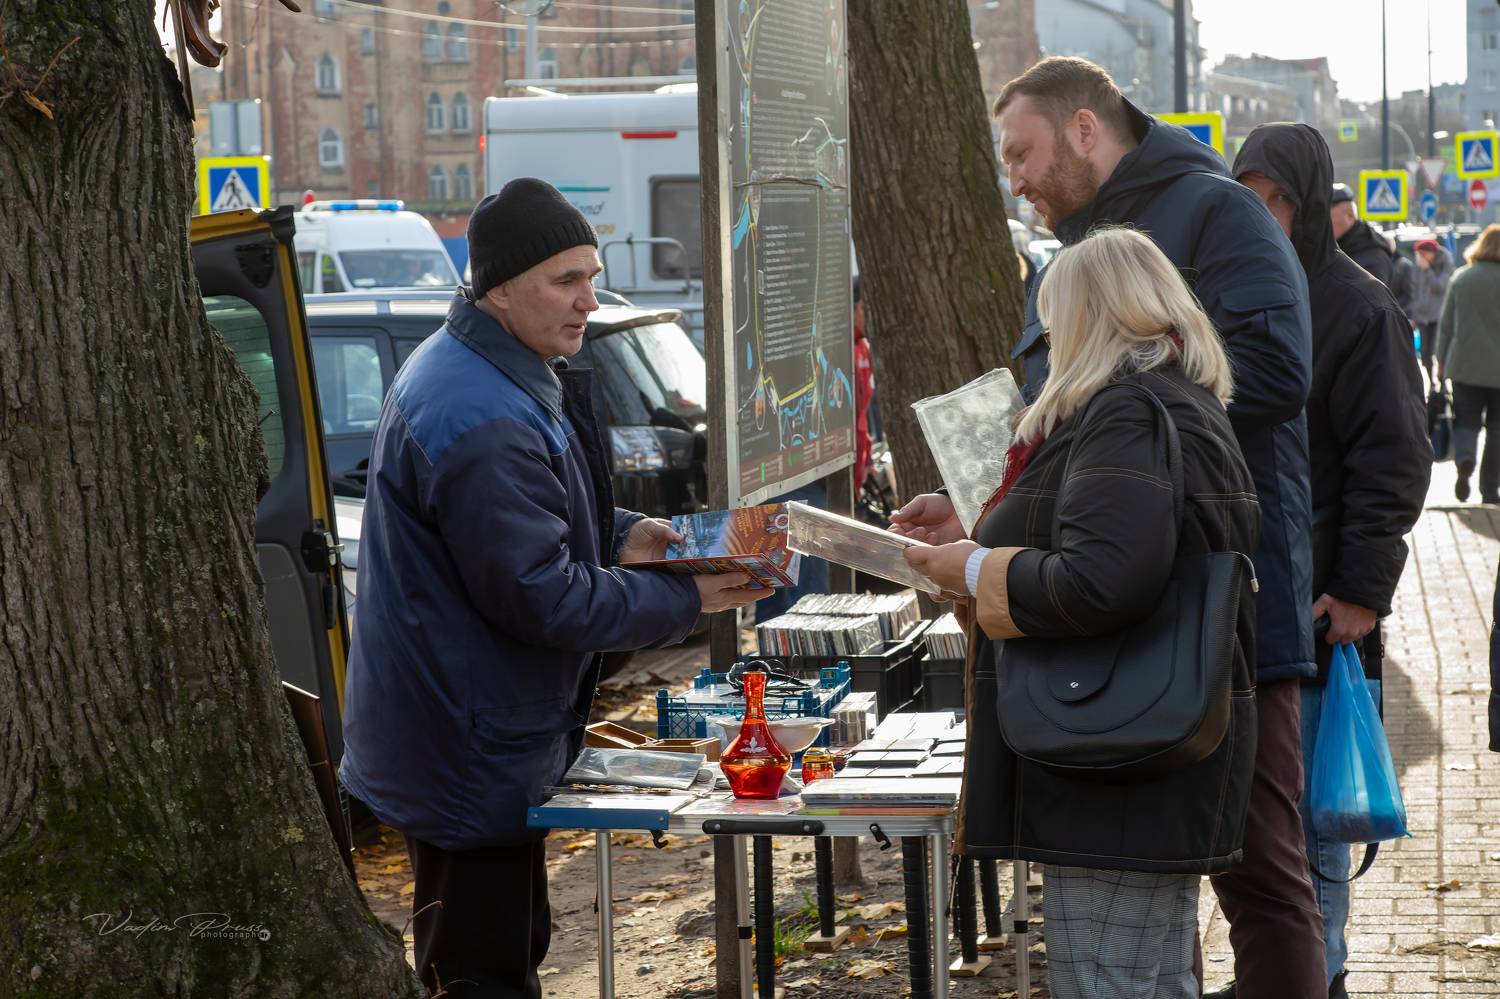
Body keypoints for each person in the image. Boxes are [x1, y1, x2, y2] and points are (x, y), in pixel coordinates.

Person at [893, 56, 1323, 995]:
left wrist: (1134, 403)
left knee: (1258, 878)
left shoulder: (1215, 213)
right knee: (1154, 914)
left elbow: (1276, 372)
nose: (1012, 176)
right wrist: (985, 506)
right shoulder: (1078, 253)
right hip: (1118, 626)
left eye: (1022, 151)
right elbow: (1060, 431)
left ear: (1086, 129)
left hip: (1209, 617)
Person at [338, 178, 767, 998]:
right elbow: (544, 596)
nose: (587, 300)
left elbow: (523, 531)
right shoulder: (479, 408)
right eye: (565, 280)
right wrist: (691, 599)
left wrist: (624, 535)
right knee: (484, 970)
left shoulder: (491, 369)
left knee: (500, 951)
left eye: (591, 275)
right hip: (465, 749)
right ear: (499, 286)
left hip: (472, 735)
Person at [900, 227, 1261, 999]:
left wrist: (968, 566)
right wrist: (975, 525)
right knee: (1152, 975)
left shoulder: (1124, 412)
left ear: (1089, 317)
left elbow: (1099, 579)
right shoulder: (1175, 399)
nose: (1048, 335)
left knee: (1109, 979)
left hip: (1113, 753)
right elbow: (1108, 540)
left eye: (1055, 315)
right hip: (1142, 741)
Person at [1233, 123, 1432, 999]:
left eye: (1277, 197)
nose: (1262, 214)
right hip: (1246, 606)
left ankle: (1327, 977)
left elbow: (1394, 458)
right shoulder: (1235, 295)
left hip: (1318, 610)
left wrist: (1359, 590)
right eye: (1248, 194)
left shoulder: (1357, 304)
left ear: (1310, 203)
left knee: (1313, 826)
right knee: (1264, 827)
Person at [1435, 223, 1500, 503]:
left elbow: (1446, 325)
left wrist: (1439, 360)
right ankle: (1489, 491)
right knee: (1497, 430)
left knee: (1466, 421)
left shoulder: (1461, 278)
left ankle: (1464, 460)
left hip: (1464, 366)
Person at [1330, 183, 1415, 314]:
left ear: (1350, 216)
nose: (1325, 224)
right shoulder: (1336, 248)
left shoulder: (1373, 256)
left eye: (1330, 218)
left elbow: (1368, 309)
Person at [1410, 237, 1455, 385]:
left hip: (1439, 315)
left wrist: (1428, 270)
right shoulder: (1418, 266)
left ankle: (1442, 381)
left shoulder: (1445, 263)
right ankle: (1431, 382)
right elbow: (1415, 291)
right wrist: (1414, 315)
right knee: (1424, 352)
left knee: (1439, 350)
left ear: (1430, 253)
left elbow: (1440, 286)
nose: (1420, 258)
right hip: (1422, 316)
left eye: (1422, 254)